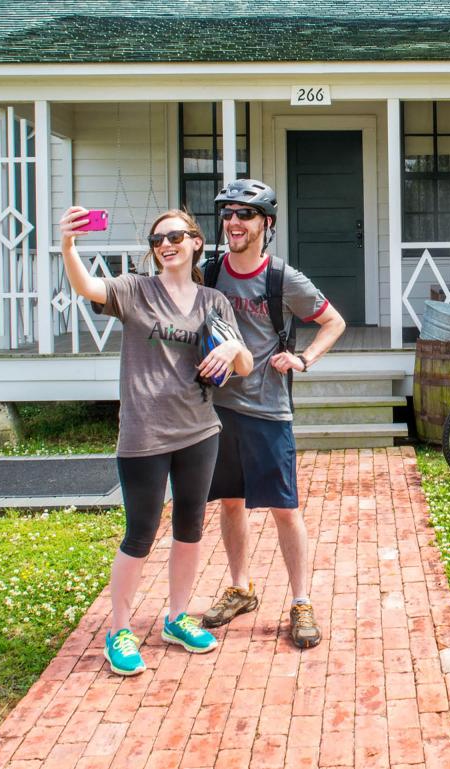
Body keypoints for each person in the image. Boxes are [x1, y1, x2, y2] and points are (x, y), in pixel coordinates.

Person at [60, 205, 253, 676]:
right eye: (157, 239)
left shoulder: (214, 302)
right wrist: (67, 246)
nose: (166, 244)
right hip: (144, 432)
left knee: (190, 529)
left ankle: (176, 618)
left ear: (196, 242)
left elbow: (244, 365)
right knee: (140, 535)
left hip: (199, 430)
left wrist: (233, 348)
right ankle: (119, 629)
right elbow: (87, 287)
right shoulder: (134, 289)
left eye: (175, 236)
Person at [200, 179, 347, 649]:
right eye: (227, 214)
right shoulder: (209, 271)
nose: (234, 223)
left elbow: (333, 321)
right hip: (218, 408)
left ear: (267, 223)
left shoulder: (282, 278)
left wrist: (303, 359)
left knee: (285, 509)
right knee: (230, 502)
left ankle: (301, 601)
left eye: (245, 214)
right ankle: (241, 588)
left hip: (268, 409)